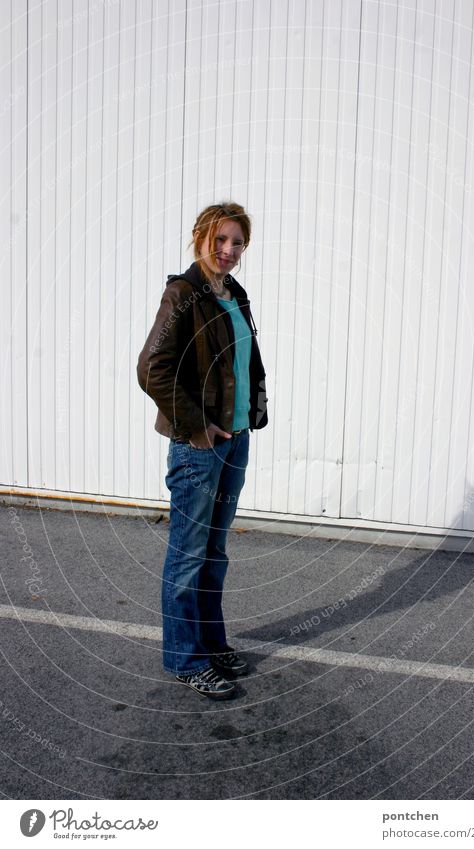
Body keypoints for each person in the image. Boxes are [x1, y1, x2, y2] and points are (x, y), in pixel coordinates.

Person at [137, 202, 268, 700]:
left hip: (235, 442)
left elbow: (244, 363)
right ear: (200, 239)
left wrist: (251, 413)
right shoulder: (183, 294)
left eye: (237, 242)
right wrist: (197, 425)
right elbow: (152, 368)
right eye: (220, 240)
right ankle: (185, 658)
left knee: (214, 553)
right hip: (199, 446)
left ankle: (211, 644)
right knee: (189, 555)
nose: (228, 251)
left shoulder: (233, 294)